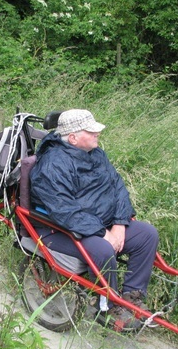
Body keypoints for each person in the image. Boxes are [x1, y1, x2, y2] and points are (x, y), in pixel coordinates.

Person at [29, 109, 159, 332]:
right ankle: (106, 306)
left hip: (101, 223)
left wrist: (119, 223)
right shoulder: (54, 163)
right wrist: (102, 232)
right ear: (73, 137)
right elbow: (64, 211)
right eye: (91, 130)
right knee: (102, 249)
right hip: (60, 230)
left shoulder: (96, 154)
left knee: (147, 235)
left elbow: (118, 187)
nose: (98, 132)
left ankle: (132, 297)